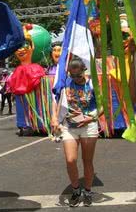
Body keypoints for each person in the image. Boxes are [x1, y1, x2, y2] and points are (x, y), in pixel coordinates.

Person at [53, 58, 102, 207]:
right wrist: (54, 118)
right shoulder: (64, 83)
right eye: (72, 75)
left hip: (89, 125)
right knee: (70, 159)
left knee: (87, 161)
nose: (75, 78)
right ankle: (76, 190)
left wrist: (91, 118)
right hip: (69, 125)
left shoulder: (92, 83)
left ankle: (87, 191)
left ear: (83, 70)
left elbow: (103, 105)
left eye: (78, 75)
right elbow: (55, 100)